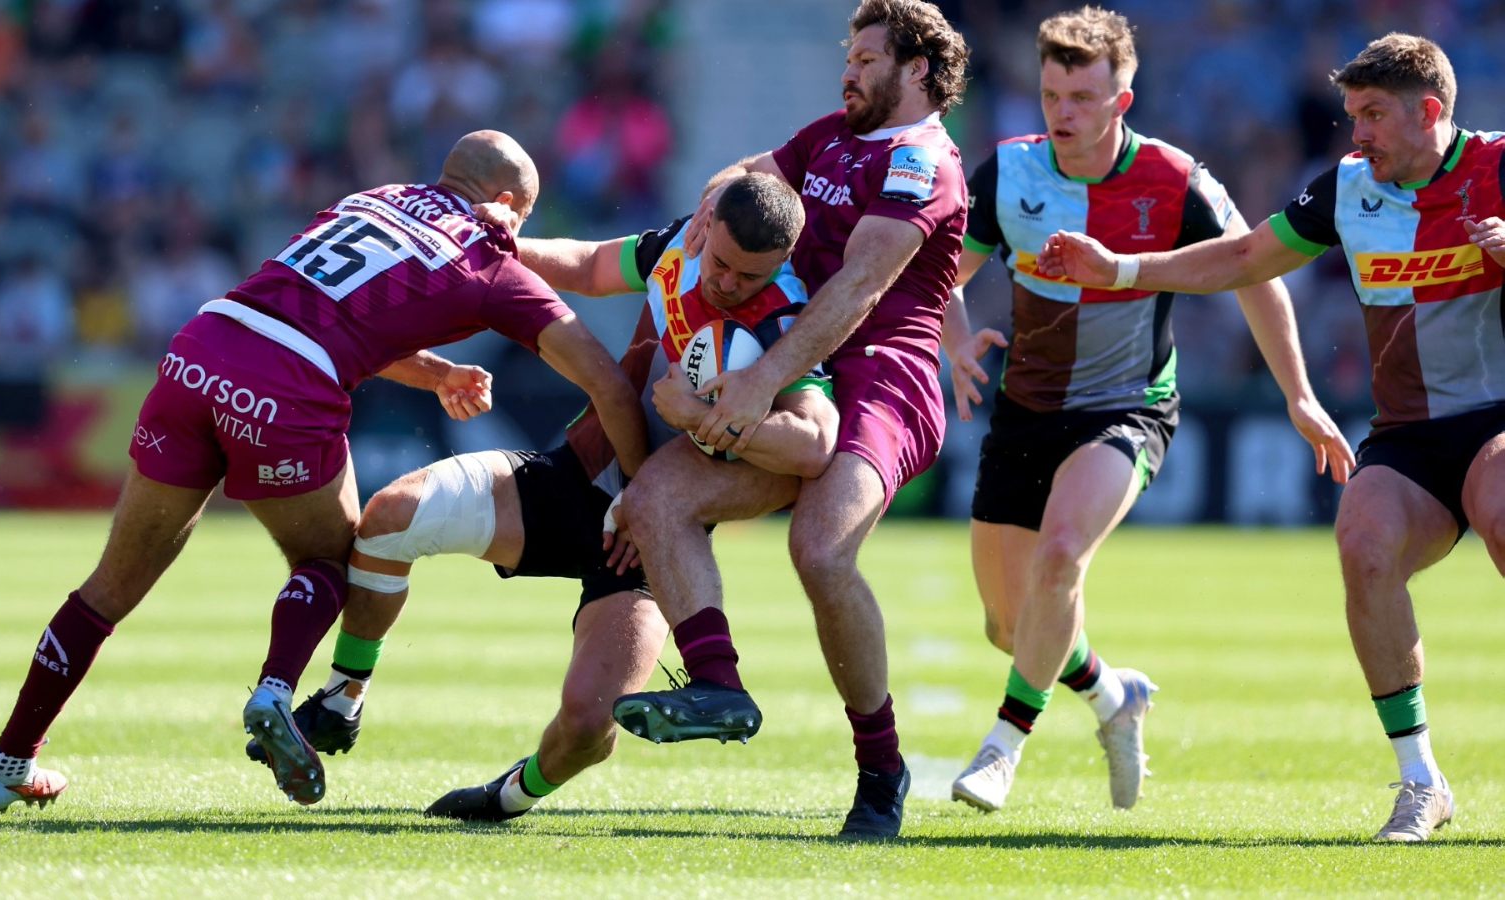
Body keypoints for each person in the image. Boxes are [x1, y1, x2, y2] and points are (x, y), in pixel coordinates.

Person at [0, 131, 648, 814]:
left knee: (108, 589)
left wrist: (436, 374)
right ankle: (274, 692)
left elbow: (326, 313)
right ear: (505, 202)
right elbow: (610, 387)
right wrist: (643, 497)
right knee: (331, 559)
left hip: (200, 351)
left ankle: (7, 764)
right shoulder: (490, 261)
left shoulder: (374, 199)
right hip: (284, 389)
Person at [1038, 33, 1502, 843]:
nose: (1356, 132)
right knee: (1362, 543)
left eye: (1373, 115)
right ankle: (1421, 781)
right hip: (1411, 436)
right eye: (1352, 114)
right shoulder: (1349, 187)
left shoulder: (1499, 165)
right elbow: (1248, 257)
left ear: (1429, 111)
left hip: (1498, 417)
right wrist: (1121, 269)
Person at [263, 173, 837, 822]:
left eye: (749, 276)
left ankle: (507, 798)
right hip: (576, 478)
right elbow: (590, 265)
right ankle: (342, 700)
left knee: (589, 725)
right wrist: (504, 244)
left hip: (647, 546)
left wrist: (703, 413)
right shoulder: (681, 243)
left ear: (783, 263)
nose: (728, 283)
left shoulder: (786, 319)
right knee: (391, 516)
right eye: (722, 263)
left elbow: (814, 443)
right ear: (709, 226)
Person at [942, 7, 1353, 815]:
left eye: (1081, 98)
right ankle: (1112, 695)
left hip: (1126, 410)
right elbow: (943, 274)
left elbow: (1255, 274)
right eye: (1052, 95)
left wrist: (1299, 395)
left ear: (1121, 101)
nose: (1062, 113)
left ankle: (1001, 749)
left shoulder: (1174, 178)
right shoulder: (1009, 171)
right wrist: (953, 337)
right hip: (1025, 412)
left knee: (1062, 556)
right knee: (1010, 627)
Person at [608, 0, 969, 841]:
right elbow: (747, 174)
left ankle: (881, 770)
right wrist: (712, 202)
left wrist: (759, 380)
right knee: (657, 500)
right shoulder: (830, 137)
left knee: (820, 548)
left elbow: (859, 289)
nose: (849, 71)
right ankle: (717, 686)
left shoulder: (923, 163)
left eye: (868, 59)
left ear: (917, 70)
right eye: (849, 55)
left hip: (882, 382)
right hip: (795, 372)